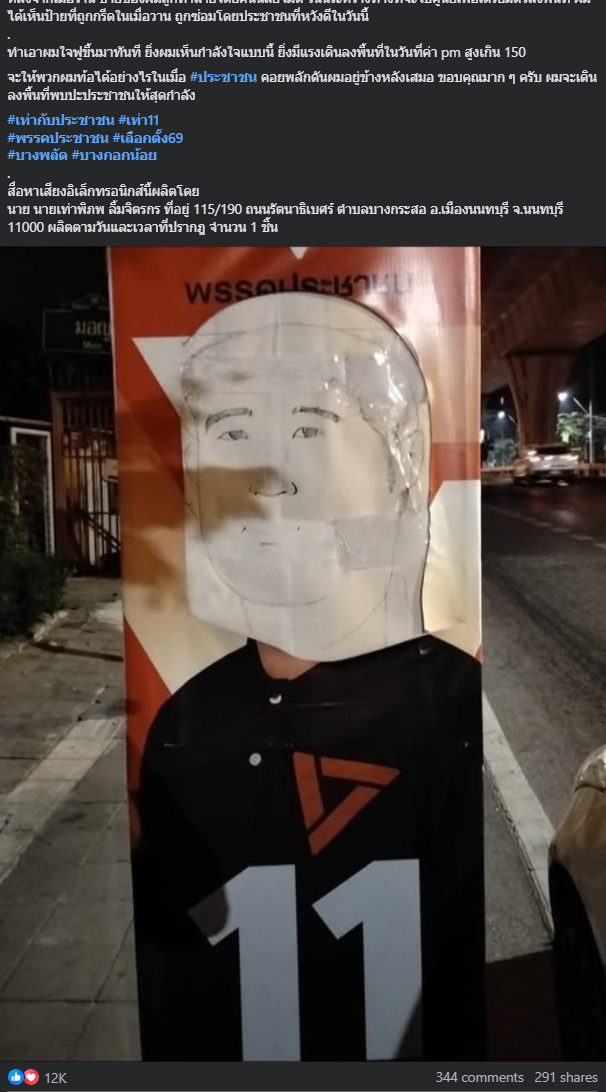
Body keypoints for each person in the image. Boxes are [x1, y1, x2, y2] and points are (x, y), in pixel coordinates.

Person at [132, 292, 485, 1060]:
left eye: (309, 430)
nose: (269, 480)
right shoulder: (183, 724)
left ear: (400, 465)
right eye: (231, 433)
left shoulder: (447, 707)